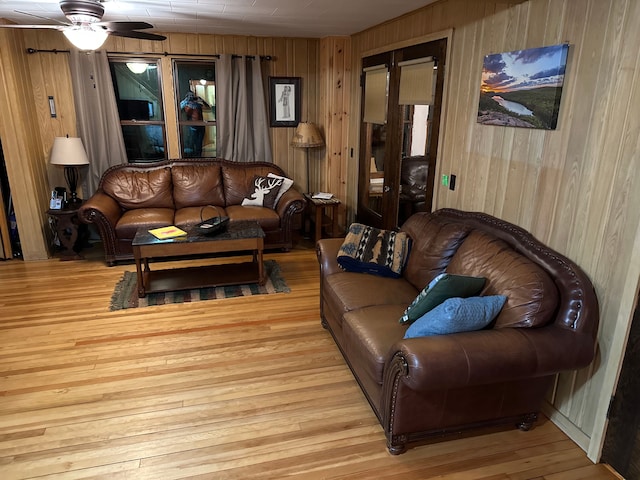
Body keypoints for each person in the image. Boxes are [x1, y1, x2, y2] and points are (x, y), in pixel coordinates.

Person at [180, 91, 209, 156]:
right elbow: (177, 109)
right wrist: (186, 100)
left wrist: (201, 100)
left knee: (199, 145)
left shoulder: (198, 104)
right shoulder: (186, 104)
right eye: (190, 96)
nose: (191, 97)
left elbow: (208, 108)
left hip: (201, 126)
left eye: (192, 96)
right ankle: (194, 159)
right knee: (192, 145)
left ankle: (199, 159)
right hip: (192, 128)